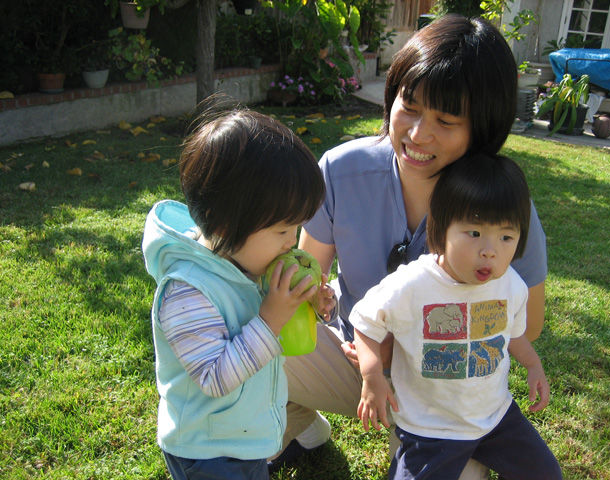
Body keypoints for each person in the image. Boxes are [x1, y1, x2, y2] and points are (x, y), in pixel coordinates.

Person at [274, 13, 548, 479]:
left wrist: (407, 349)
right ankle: (291, 427)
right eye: (411, 105)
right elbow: (308, 288)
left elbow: (528, 324)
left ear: (481, 128)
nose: (419, 135)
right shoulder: (340, 170)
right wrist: (335, 318)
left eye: (446, 120)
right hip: (355, 359)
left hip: (443, 385)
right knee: (247, 338)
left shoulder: (504, 212)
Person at [141, 108, 334, 480]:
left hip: (246, 437)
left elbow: (281, 334)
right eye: (282, 231)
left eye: (295, 229)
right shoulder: (186, 291)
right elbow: (214, 377)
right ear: (228, 223)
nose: (291, 242)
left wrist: (314, 303)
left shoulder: (248, 261)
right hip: (208, 451)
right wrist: (271, 318)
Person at [352, 153, 562, 479]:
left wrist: (533, 365)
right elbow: (365, 324)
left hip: (495, 418)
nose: (490, 250)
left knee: (546, 473)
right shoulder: (411, 285)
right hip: (431, 427)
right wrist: (373, 377)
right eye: (475, 233)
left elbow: (513, 334)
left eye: (506, 237)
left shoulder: (509, 285)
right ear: (442, 225)